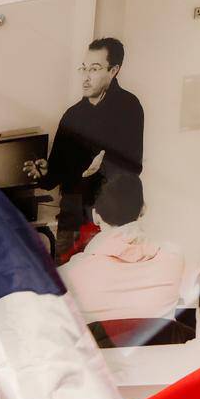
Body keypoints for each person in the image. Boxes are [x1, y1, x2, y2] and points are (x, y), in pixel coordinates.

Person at [24, 37, 145, 252]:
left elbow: (134, 166)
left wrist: (103, 165)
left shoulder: (129, 107)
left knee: (105, 278)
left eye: (95, 69)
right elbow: (55, 175)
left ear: (114, 70)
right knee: (70, 279)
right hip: (72, 217)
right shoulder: (72, 116)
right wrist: (45, 172)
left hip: (112, 217)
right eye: (84, 68)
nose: (86, 78)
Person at [58, 171, 185, 325]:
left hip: (102, 349)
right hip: (162, 348)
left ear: (95, 215)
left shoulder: (68, 275)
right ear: (143, 209)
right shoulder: (173, 259)